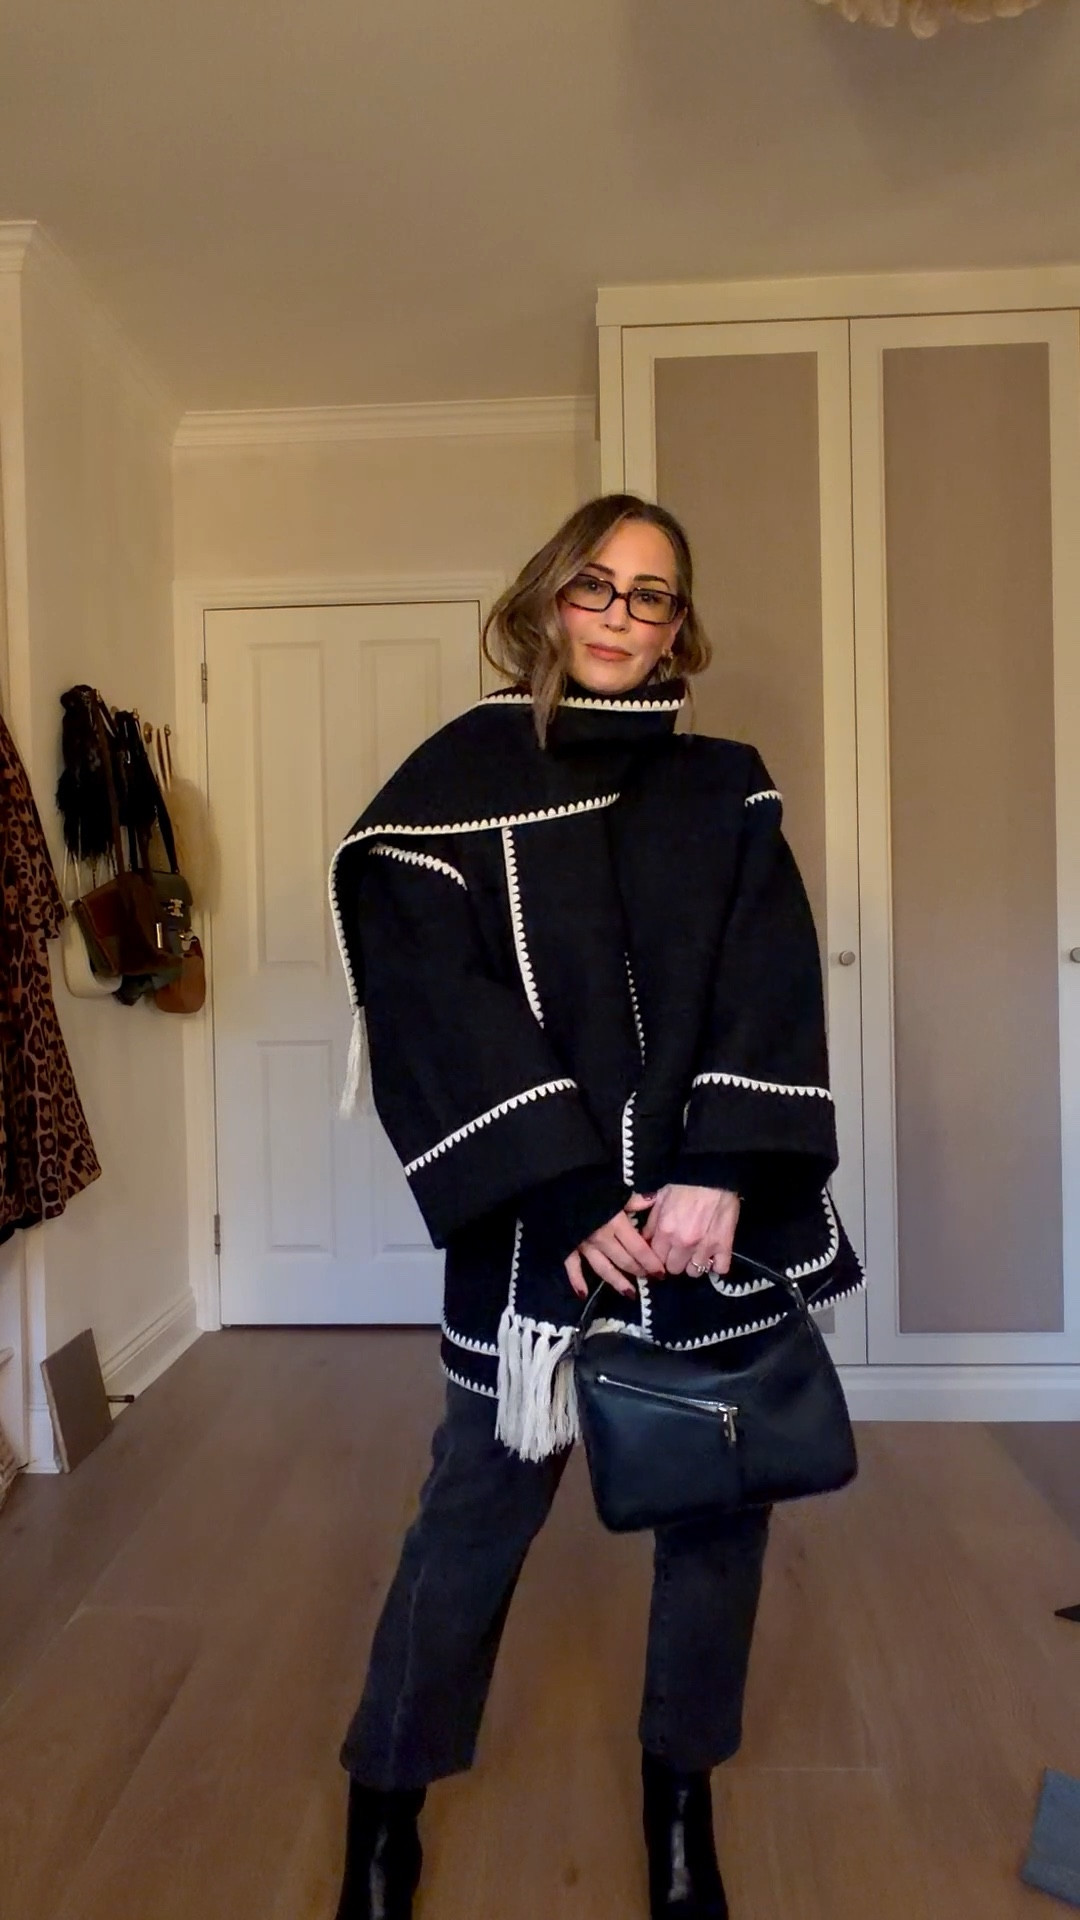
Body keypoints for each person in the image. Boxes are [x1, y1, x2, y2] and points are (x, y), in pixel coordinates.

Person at [328, 493, 864, 1919]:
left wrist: (721, 1171)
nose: (624, 616)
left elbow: (770, 979)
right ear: (545, 599)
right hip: (537, 1242)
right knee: (470, 1525)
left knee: (718, 1526)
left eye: (654, 594)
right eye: (597, 586)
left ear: (681, 625)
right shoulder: (451, 785)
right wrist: (569, 1192)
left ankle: (680, 1808)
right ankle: (383, 1812)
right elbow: (432, 1001)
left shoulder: (727, 788)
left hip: (705, 1232)